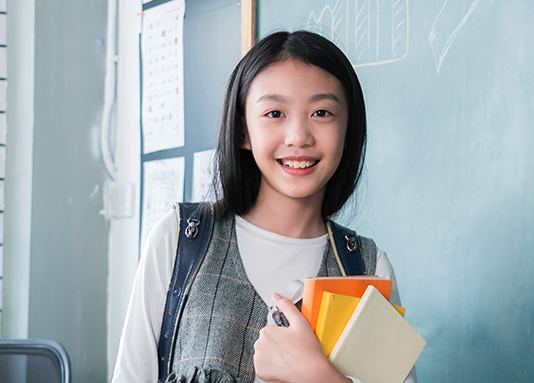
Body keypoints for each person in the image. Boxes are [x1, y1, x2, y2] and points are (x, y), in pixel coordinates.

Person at [111, 30, 418, 383]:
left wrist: (319, 375)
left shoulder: (367, 269)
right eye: (275, 113)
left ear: (348, 131)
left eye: (322, 112)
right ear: (243, 131)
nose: (298, 136)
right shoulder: (179, 240)